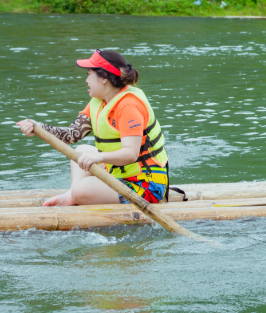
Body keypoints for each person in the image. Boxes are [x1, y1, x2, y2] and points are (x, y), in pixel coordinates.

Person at [16, 49, 170, 206]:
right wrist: (39, 128)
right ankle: (72, 195)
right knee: (82, 150)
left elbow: (131, 154)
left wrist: (99, 157)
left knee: (83, 190)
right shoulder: (99, 101)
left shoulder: (129, 105)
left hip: (146, 184)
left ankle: (77, 194)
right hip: (119, 173)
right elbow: (72, 134)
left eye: (89, 74)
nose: (86, 80)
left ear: (104, 78)